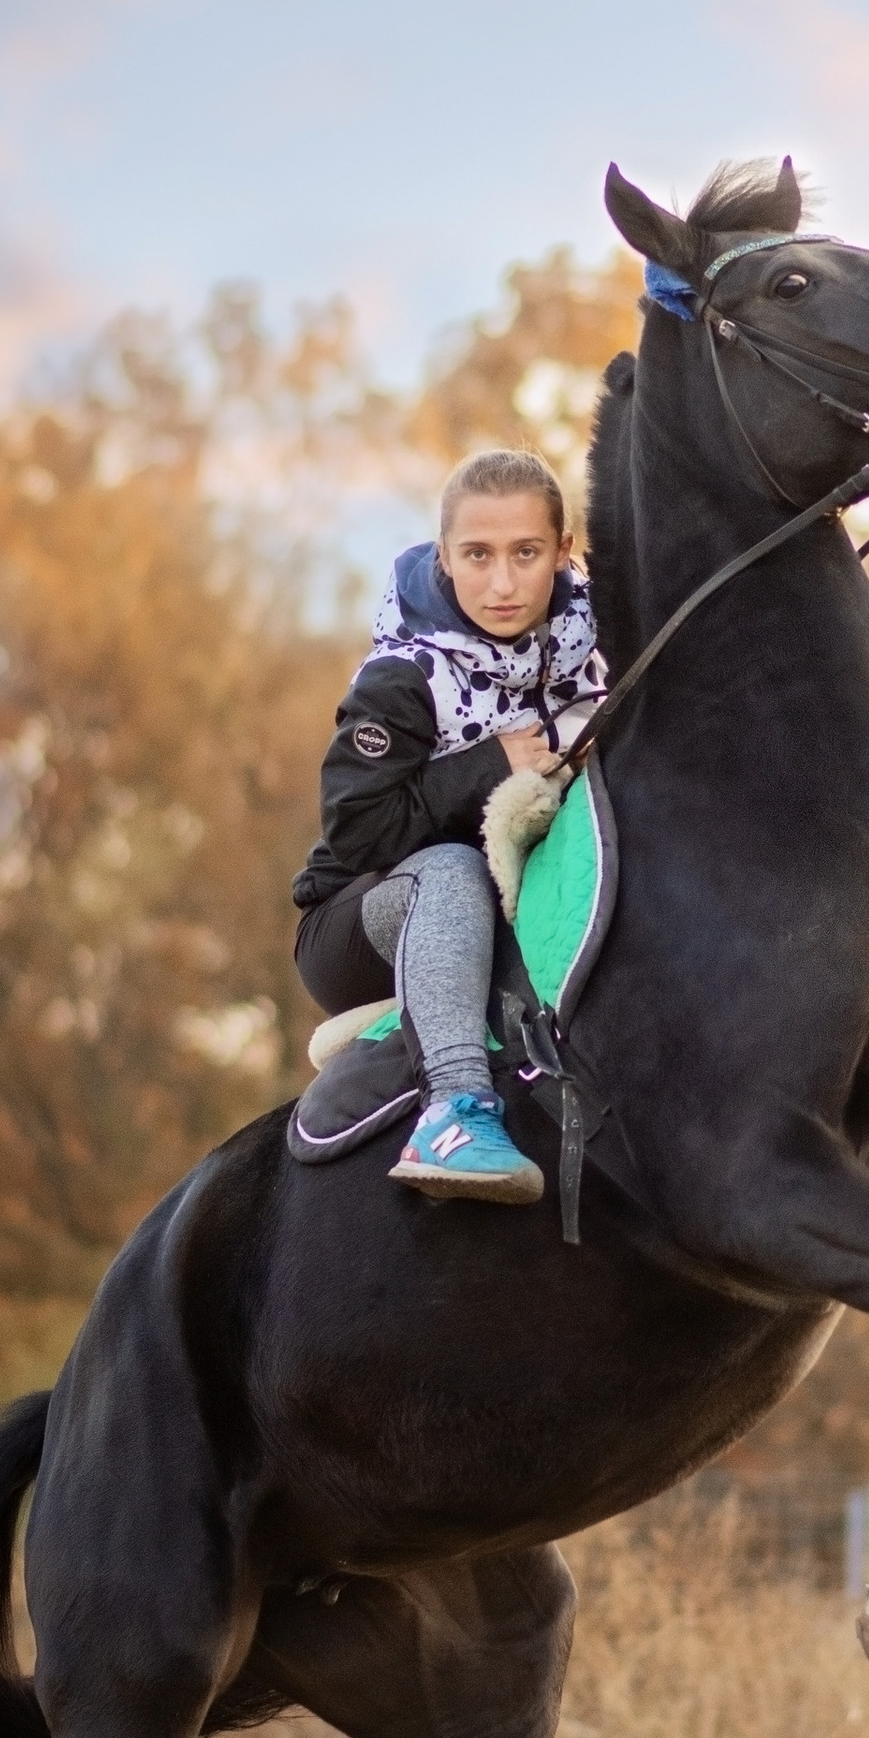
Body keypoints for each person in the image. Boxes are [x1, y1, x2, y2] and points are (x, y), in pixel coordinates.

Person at [291, 447, 604, 1202]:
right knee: (453, 868)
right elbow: (356, 833)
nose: (501, 582)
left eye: (526, 553)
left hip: (509, 911)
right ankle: (453, 1112)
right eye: (477, 554)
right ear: (444, 556)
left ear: (565, 551)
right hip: (362, 918)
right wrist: (487, 767)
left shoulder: (599, 643)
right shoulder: (402, 679)